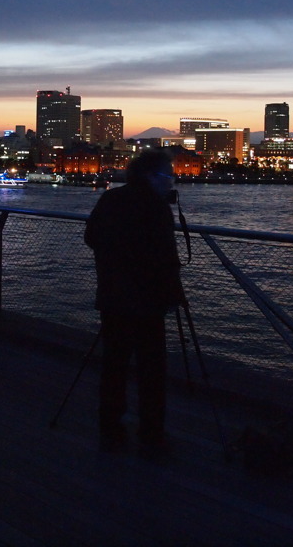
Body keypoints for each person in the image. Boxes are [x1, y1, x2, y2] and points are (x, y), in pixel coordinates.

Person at [84, 148, 185, 456]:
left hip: (113, 295)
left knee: (114, 365)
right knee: (151, 370)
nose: (171, 183)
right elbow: (166, 259)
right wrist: (173, 295)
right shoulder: (156, 209)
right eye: (168, 176)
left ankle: (110, 427)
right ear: (151, 176)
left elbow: (90, 237)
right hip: (147, 301)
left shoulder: (110, 199)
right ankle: (151, 433)